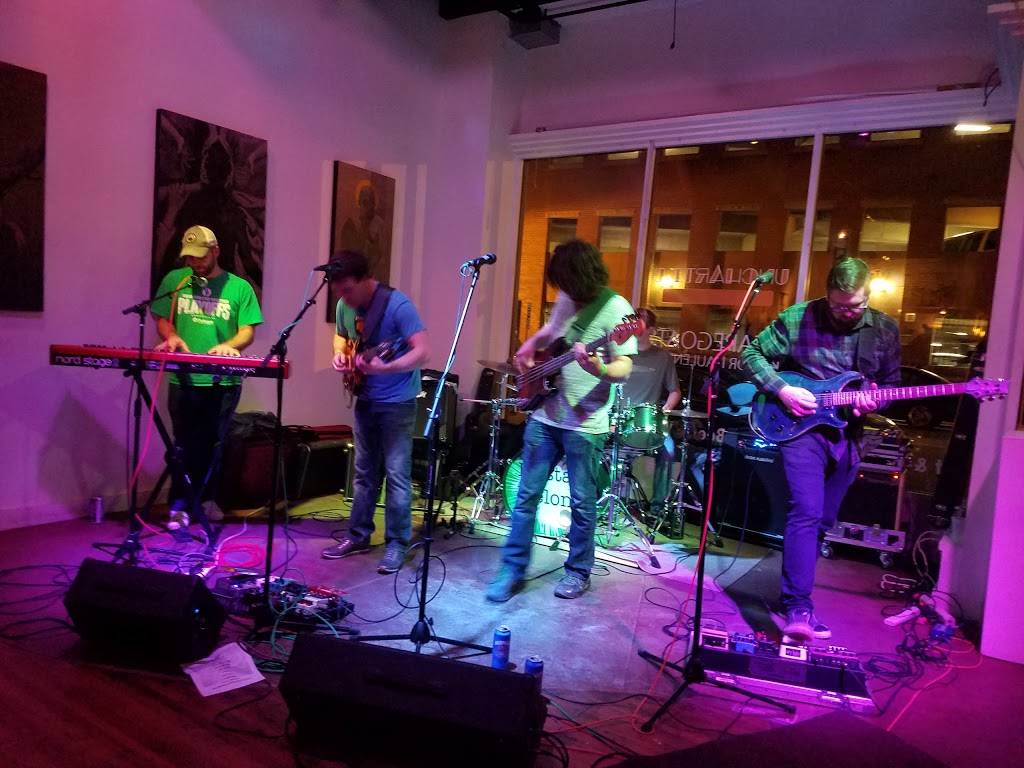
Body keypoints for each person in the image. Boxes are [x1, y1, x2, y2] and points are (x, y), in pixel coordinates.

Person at [740, 257, 900, 642]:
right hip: (802, 428)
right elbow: (749, 354)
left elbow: (890, 385)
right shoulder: (799, 318)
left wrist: (875, 400)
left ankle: (793, 597)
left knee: (825, 519)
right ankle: (798, 606)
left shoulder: (883, 330)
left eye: (856, 306)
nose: (847, 313)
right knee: (807, 511)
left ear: (868, 297)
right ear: (827, 295)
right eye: (839, 306)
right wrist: (782, 389)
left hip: (847, 432)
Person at [487, 240, 637, 602]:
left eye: (568, 284)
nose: (565, 292)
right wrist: (530, 344)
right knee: (525, 496)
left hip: (585, 425)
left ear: (583, 276)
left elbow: (624, 366)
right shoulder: (568, 298)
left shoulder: (617, 309)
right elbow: (552, 330)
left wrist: (598, 368)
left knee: (583, 503)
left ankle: (578, 571)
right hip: (545, 414)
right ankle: (512, 569)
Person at [320, 250, 429, 575]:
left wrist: (387, 368)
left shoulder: (398, 306)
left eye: (347, 290)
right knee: (364, 473)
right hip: (366, 397)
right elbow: (342, 336)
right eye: (339, 292)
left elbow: (423, 351)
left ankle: (397, 543)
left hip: (397, 402)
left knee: (396, 474)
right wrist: (339, 354)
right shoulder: (345, 305)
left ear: (365, 280)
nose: (344, 298)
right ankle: (358, 536)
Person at [151, 225, 263, 529]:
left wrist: (230, 346)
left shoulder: (239, 287)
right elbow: (162, 319)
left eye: (201, 257)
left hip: (222, 381)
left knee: (216, 442)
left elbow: (248, 330)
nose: (195, 263)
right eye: (190, 258)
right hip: (183, 379)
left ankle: (207, 499)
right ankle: (179, 504)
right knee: (182, 443)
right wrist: (172, 336)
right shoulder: (176, 281)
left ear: (216, 251)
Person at [621, 307, 682, 532]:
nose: (634, 328)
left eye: (640, 324)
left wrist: (664, 411)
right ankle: (600, 499)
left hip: (648, 423)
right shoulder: (619, 354)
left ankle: (656, 510)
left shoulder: (663, 357)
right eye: (632, 323)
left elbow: (675, 391)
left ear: (652, 330)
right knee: (592, 444)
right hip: (619, 421)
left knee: (669, 449)